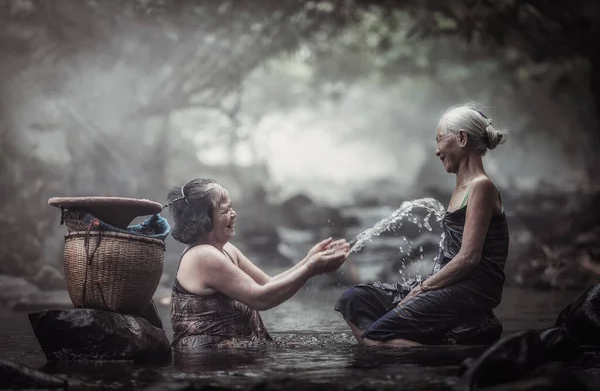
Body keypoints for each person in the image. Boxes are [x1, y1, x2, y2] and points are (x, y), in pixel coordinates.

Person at [335, 102, 510, 346]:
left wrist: (422, 288)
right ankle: (413, 343)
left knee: (374, 337)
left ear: (461, 138)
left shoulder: (481, 186)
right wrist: (424, 287)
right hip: (448, 282)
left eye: (439, 140)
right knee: (354, 299)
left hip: (472, 287)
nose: (437, 151)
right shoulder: (461, 186)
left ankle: (432, 356)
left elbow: (469, 257)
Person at [164, 178, 350, 348]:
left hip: (232, 353)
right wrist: (310, 268)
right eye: (225, 210)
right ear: (204, 219)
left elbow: (267, 283)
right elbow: (260, 298)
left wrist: (308, 260)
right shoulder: (203, 255)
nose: (234, 214)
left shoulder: (226, 249)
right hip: (207, 360)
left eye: (232, 207)